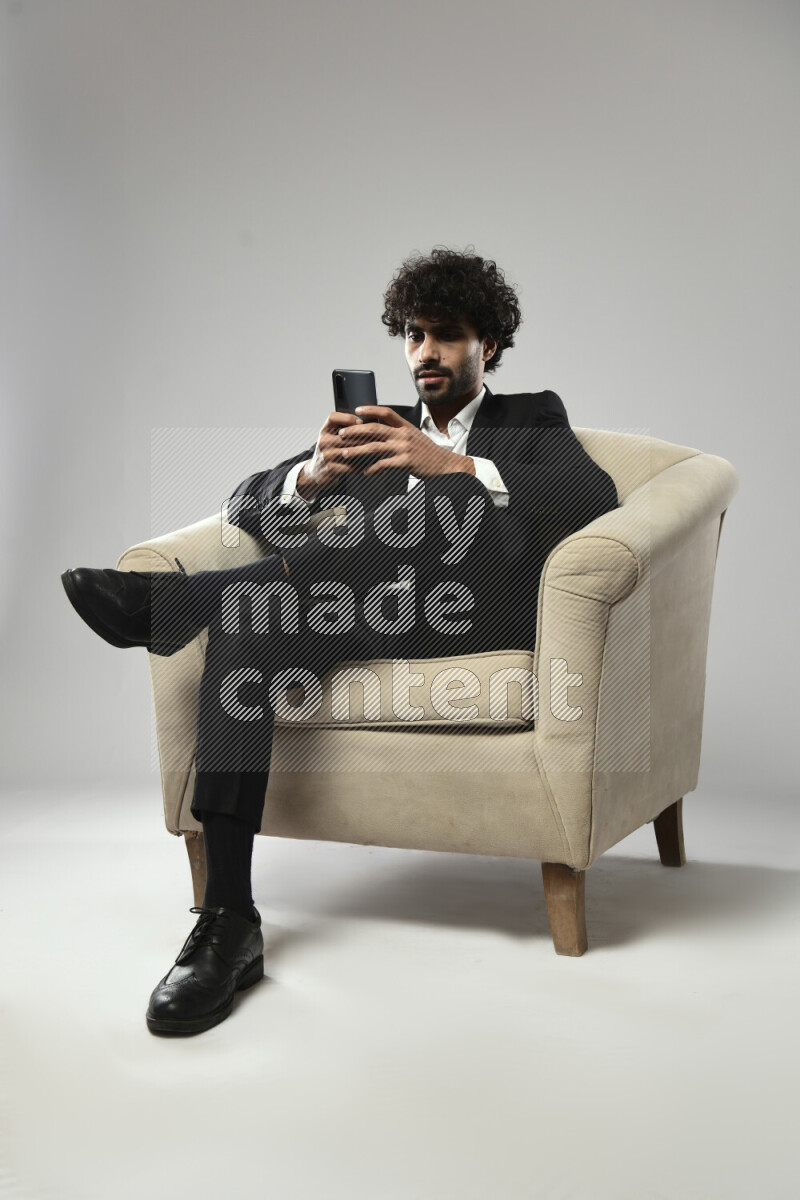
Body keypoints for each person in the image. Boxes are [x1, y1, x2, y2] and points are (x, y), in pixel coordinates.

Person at [61, 248, 618, 1036]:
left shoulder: (531, 416)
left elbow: (593, 495)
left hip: (475, 612)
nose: (426, 352)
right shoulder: (373, 429)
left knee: (417, 518)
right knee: (251, 631)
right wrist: (312, 478)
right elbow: (245, 505)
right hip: (363, 608)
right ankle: (228, 923)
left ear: (486, 345)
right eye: (414, 335)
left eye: (447, 335)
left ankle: (176, 603)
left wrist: (455, 464)